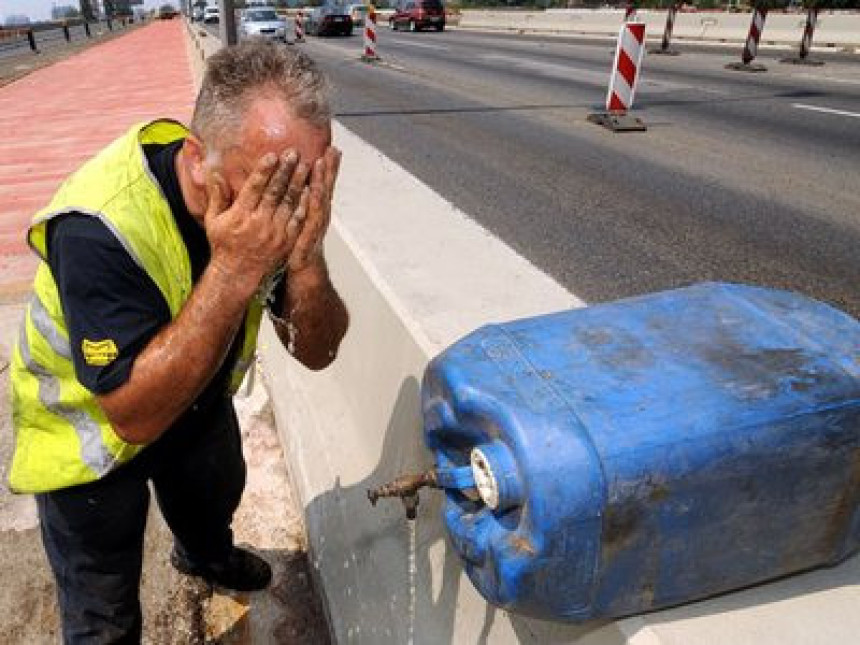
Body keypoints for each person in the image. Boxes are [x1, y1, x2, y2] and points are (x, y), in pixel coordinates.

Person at [8, 40, 349, 643]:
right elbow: (132, 416)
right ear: (198, 159)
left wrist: (307, 261)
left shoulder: (277, 212)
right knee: (102, 612)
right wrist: (236, 268)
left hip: (195, 403)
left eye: (306, 185)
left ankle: (206, 555)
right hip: (90, 437)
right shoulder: (99, 225)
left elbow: (318, 352)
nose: (286, 210)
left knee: (213, 498)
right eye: (268, 188)